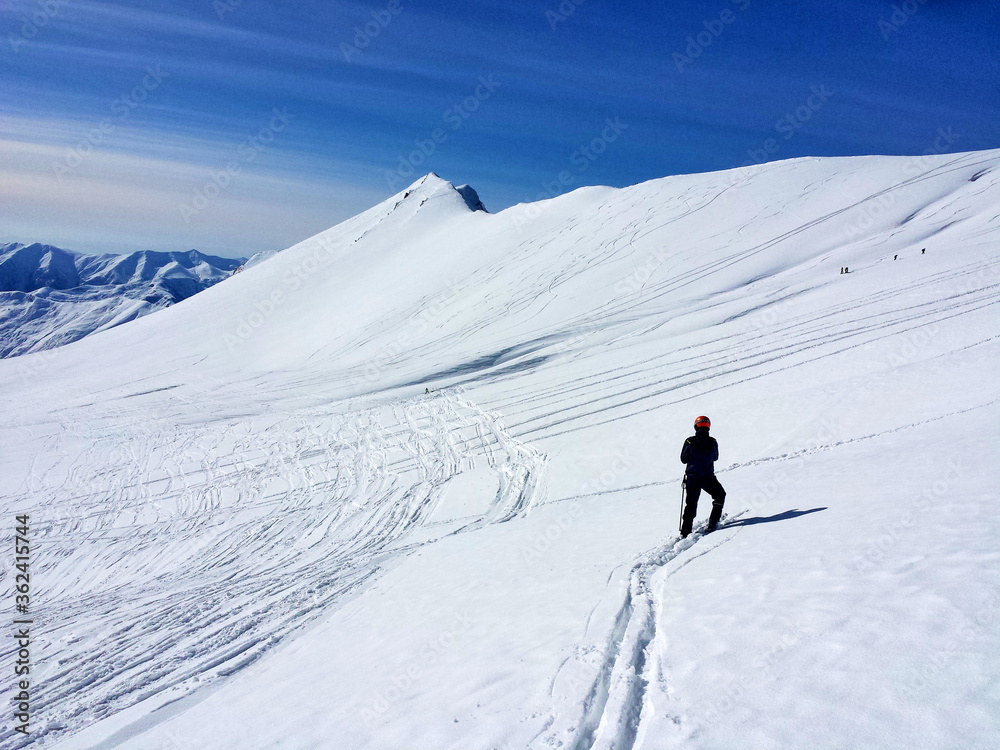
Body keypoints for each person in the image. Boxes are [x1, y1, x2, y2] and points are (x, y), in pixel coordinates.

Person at [680, 416, 726, 537]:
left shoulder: (689, 441)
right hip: (708, 478)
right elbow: (715, 457)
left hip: (692, 478)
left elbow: (683, 459)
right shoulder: (713, 442)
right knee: (720, 495)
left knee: (691, 505)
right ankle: (713, 523)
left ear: (696, 426)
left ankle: (685, 533)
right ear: (708, 427)